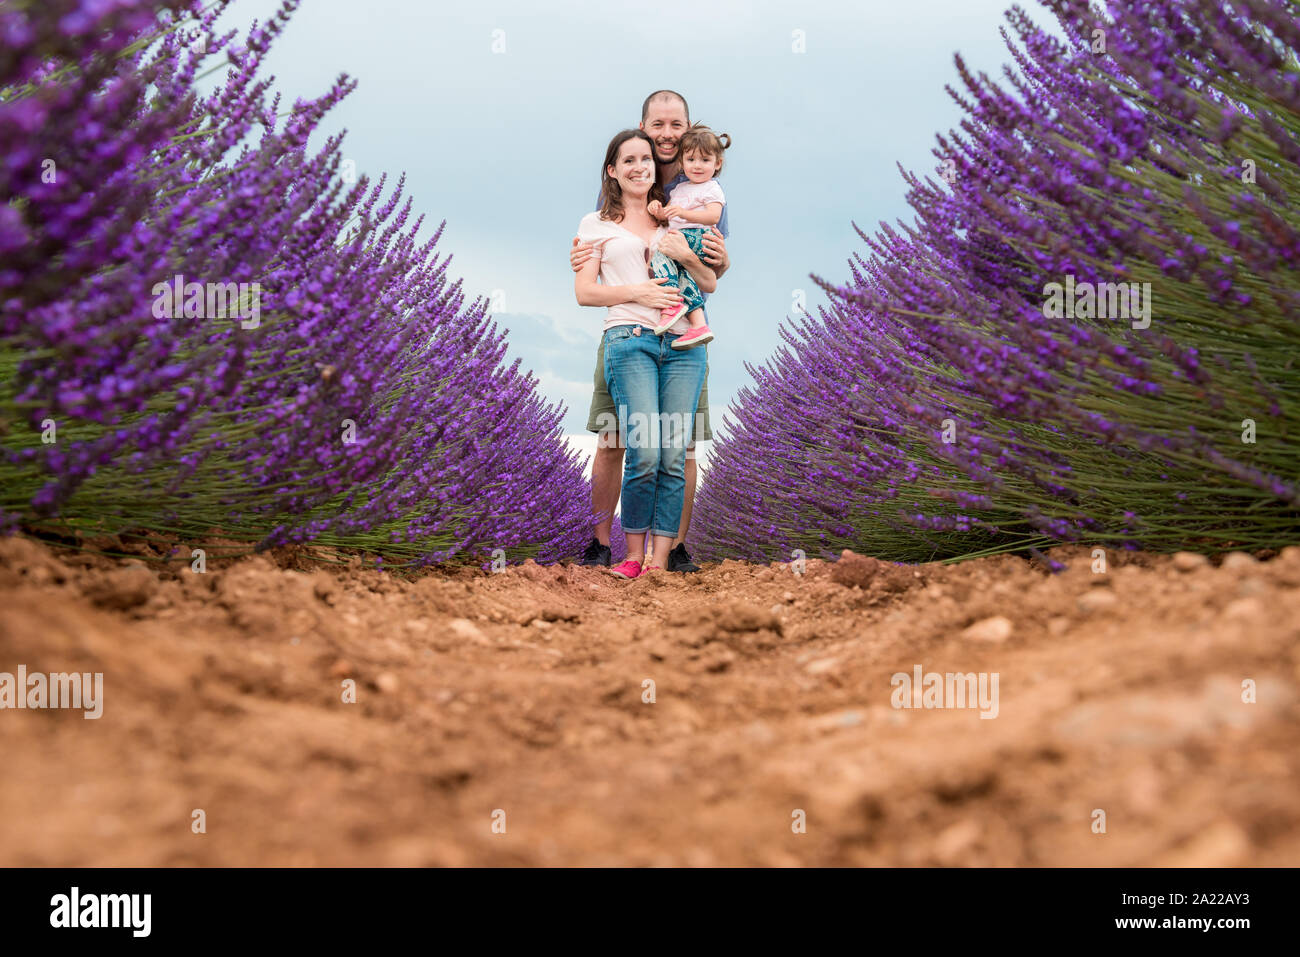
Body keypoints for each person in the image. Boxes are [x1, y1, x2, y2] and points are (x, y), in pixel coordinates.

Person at [572, 90, 730, 572]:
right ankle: (606, 544)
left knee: (678, 447)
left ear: (686, 130)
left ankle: (671, 549)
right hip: (626, 338)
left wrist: (711, 260)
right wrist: (632, 289)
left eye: (673, 126)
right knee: (616, 437)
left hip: (682, 337)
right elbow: (588, 279)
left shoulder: (691, 196)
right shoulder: (605, 212)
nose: (663, 137)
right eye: (653, 128)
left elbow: (710, 274)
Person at [647, 123, 731, 350]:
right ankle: (698, 324)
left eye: (705, 160)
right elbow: (670, 217)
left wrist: (684, 213)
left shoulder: (711, 188)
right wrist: (658, 211)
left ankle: (671, 304)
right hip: (683, 238)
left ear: (717, 163)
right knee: (686, 277)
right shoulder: (679, 190)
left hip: (699, 237)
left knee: (659, 256)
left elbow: (713, 216)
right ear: (682, 163)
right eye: (691, 160)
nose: (697, 166)